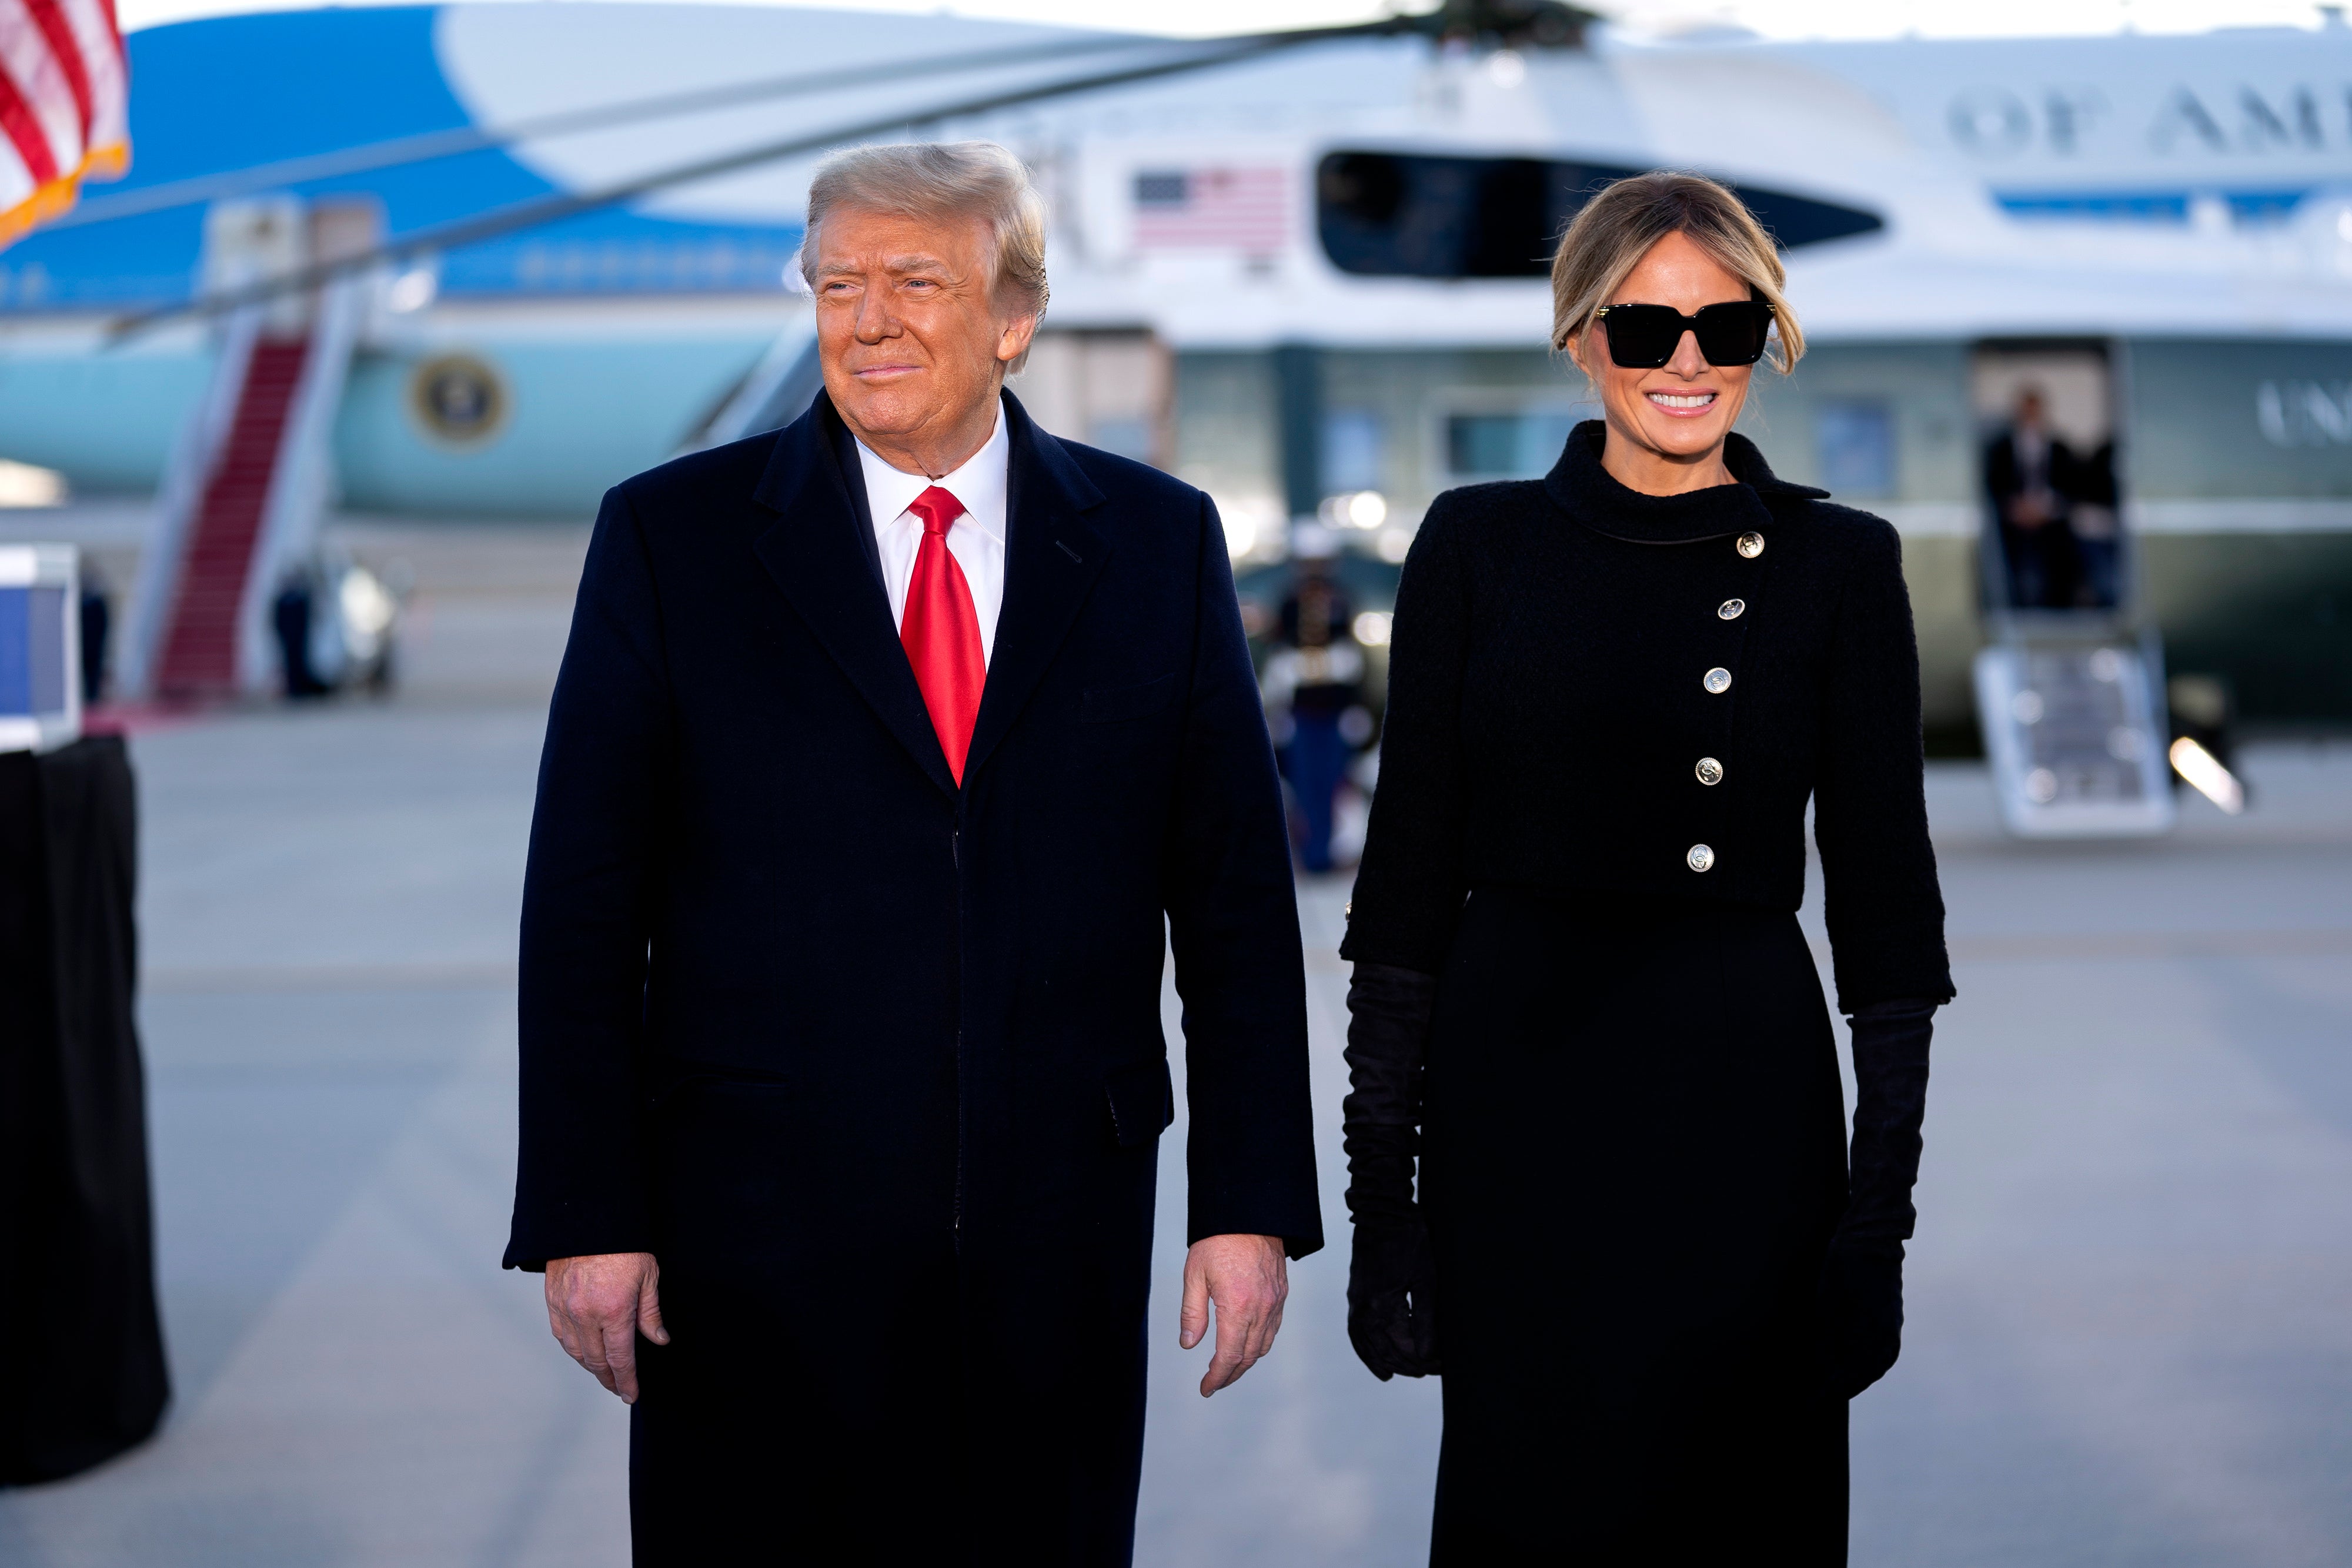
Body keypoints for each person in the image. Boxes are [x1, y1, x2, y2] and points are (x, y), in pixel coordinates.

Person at [503, 141, 1321, 1567]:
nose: (864, 318)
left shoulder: (1154, 545)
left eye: (913, 281)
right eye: (835, 283)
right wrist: (585, 1211)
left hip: (1055, 1240)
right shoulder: (670, 539)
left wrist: (1247, 1204)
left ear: (1014, 316)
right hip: (745, 1245)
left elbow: (1238, 911)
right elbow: (581, 904)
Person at [1339, 171, 1953, 1564]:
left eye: (1724, 329)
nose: (1686, 362)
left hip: (1740, 1114)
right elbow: (1404, 897)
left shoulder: (1838, 564)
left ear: (1764, 342)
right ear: (1578, 337)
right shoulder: (1475, 545)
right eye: (1644, 327)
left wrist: (1875, 1230)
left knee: (1742, 1516)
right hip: (1519, 1112)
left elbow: (1885, 916)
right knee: (1532, 1515)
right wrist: (1388, 1212)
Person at [1262, 526, 1365, 872]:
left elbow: (1352, 655)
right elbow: (1278, 655)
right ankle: (1312, 855)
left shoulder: (1343, 599)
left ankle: (1333, 851)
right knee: (1304, 786)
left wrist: (1355, 705)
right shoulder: (1288, 601)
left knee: (1336, 782)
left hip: (1334, 709)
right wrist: (1278, 705)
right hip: (1301, 710)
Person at [1983, 387, 2080, 609]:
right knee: (2021, 576)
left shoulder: (2060, 448)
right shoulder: (2001, 449)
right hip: (2014, 528)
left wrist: (2046, 508)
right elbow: (1994, 485)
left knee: (2057, 572)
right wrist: (2015, 508)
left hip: (2053, 527)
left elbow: (2072, 487)